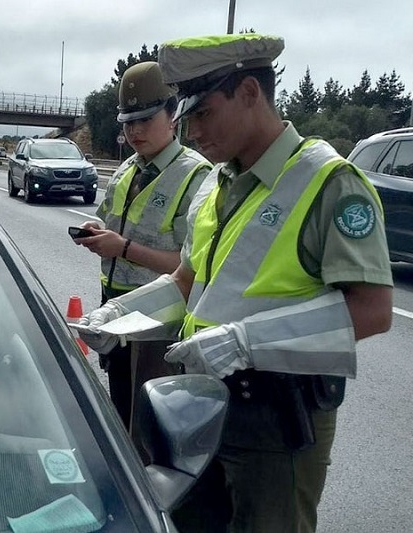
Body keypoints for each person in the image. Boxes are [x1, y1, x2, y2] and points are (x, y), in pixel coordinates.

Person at [78, 33, 393, 532]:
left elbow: (373, 311)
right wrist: (117, 318)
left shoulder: (329, 182)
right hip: (200, 403)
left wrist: (246, 342)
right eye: (186, 116)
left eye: (202, 113)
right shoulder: (215, 183)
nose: (192, 131)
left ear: (249, 92)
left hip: (276, 414)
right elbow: (187, 282)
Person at [73, 61, 211, 430]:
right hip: (114, 315)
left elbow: (193, 269)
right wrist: (97, 230)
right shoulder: (128, 168)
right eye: (128, 122)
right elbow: (115, 224)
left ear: (173, 116)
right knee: (122, 415)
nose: (134, 131)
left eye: (145, 120)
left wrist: (123, 248)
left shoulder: (196, 176)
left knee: (151, 430)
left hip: (156, 325)